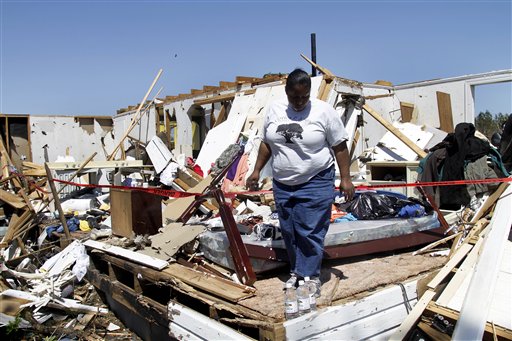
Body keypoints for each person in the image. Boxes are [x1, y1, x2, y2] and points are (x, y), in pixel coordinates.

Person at [246, 68, 355, 294]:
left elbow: (340, 146)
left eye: (304, 97)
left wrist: (346, 179)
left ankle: (310, 276)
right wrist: (256, 170)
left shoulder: (323, 112)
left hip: (316, 179)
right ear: (286, 92)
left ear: (309, 92)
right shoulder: (275, 110)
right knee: (290, 229)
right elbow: (267, 142)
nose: (299, 102)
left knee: (310, 230)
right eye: (294, 97)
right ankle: (298, 271)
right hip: (283, 182)